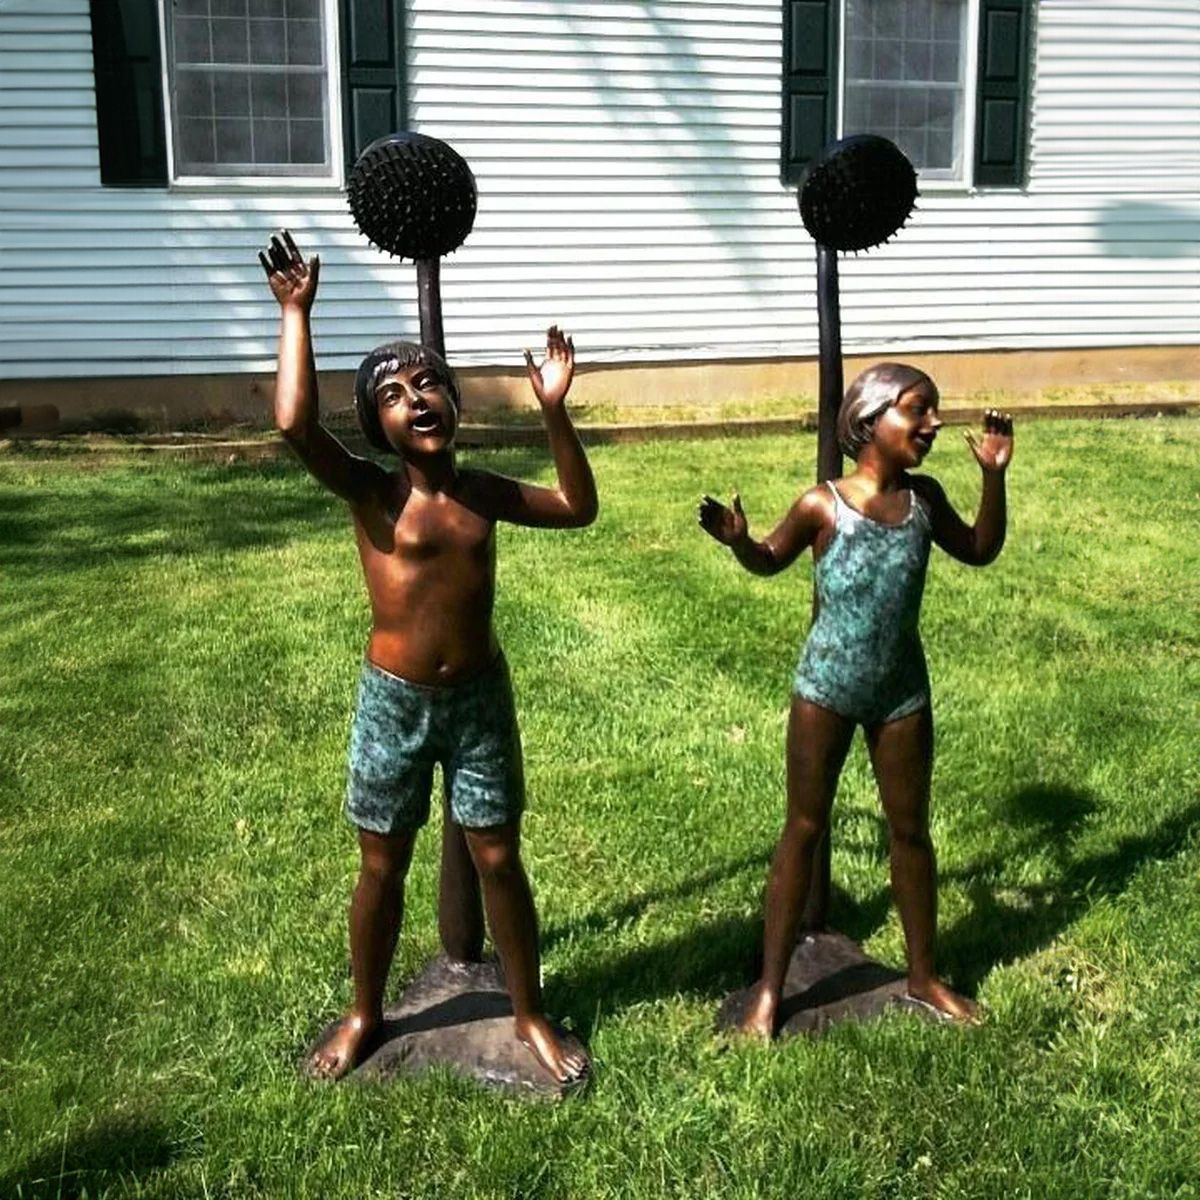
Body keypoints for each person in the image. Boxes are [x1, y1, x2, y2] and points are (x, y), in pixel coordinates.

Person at [259, 229, 597, 1082]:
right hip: (394, 704)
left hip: (481, 698)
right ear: (376, 424)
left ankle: (527, 1013)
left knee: (497, 857)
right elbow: (295, 424)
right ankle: (365, 1010)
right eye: (395, 394)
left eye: (430, 385)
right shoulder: (374, 493)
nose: (418, 400)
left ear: (454, 403)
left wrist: (554, 412)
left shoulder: (482, 494)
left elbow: (575, 506)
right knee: (382, 863)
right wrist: (298, 313)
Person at [698, 363, 1013, 1037]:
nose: (933, 424)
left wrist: (994, 477)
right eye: (918, 411)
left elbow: (981, 549)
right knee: (803, 830)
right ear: (870, 423)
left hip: (902, 690)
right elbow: (769, 558)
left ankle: (924, 976)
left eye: (933, 412)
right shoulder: (824, 504)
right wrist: (739, 543)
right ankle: (770, 990)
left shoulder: (924, 501)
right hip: (827, 689)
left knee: (911, 831)